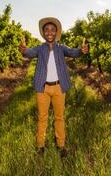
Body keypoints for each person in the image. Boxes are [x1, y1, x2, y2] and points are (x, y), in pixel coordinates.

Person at [19, 17, 88, 158]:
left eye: (52, 30)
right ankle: (40, 146)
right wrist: (24, 51)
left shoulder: (61, 48)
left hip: (58, 87)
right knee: (42, 118)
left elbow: (73, 52)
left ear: (56, 32)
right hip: (43, 89)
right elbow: (30, 53)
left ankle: (61, 145)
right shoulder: (40, 48)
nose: (49, 32)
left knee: (59, 117)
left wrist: (81, 50)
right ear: (43, 33)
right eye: (46, 30)